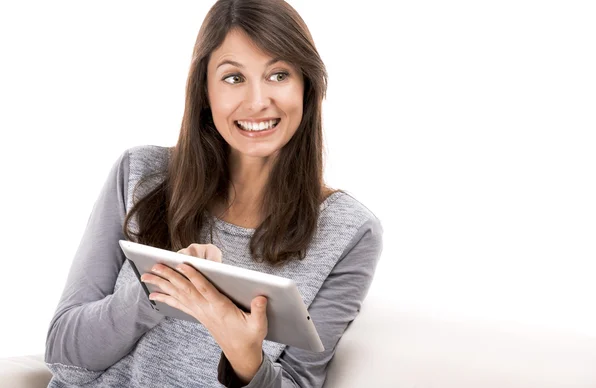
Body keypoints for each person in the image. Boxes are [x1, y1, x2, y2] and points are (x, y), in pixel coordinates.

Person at [44, 0, 383, 386]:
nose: (257, 101)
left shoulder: (349, 230)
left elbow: (300, 380)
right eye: (234, 78)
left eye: (278, 74)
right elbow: (64, 360)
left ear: (307, 86)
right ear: (205, 90)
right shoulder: (140, 173)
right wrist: (157, 291)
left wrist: (245, 357)